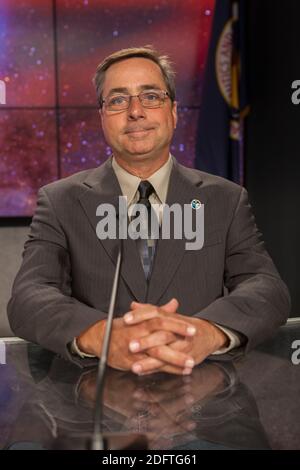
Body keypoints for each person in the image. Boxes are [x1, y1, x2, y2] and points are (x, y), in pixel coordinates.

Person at [7, 46, 290, 376]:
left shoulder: (226, 200)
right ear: (102, 118)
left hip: (204, 396)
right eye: (118, 100)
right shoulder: (60, 201)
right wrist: (101, 336)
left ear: (173, 111)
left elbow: (266, 287)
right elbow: (29, 296)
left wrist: (207, 332)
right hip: (93, 398)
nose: (135, 111)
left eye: (151, 96)